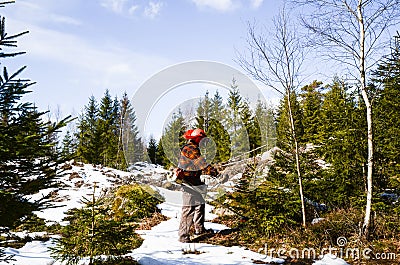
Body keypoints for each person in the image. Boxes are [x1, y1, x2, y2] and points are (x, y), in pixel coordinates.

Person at [176, 128, 218, 243]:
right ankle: (183, 236)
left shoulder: (192, 148)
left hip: (195, 181)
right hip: (188, 182)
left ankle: (199, 229)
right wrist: (213, 171)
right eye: (201, 138)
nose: (202, 141)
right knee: (188, 209)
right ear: (197, 138)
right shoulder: (190, 148)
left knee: (200, 205)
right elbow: (201, 163)